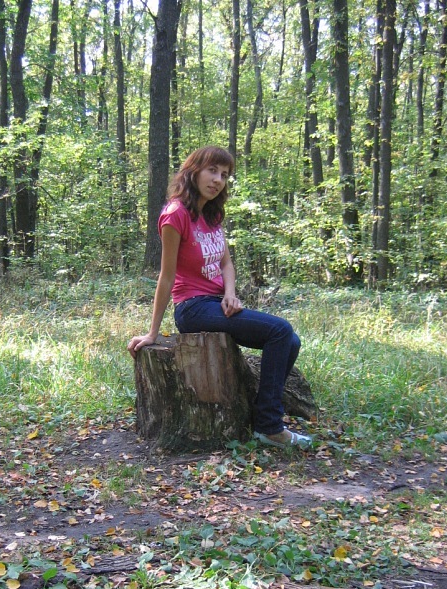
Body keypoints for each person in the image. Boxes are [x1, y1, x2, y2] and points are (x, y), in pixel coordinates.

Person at [128, 146, 311, 448]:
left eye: (224, 175)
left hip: (216, 302)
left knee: (290, 341)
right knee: (280, 330)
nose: (218, 180)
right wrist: (152, 333)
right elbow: (166, 277)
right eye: (212, 170)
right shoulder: (175, 215)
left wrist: (230, 294)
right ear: (193, 171)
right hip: (192, 308)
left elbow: (226, 264)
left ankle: (263, 414)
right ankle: (269, 426)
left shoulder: (212, 214)